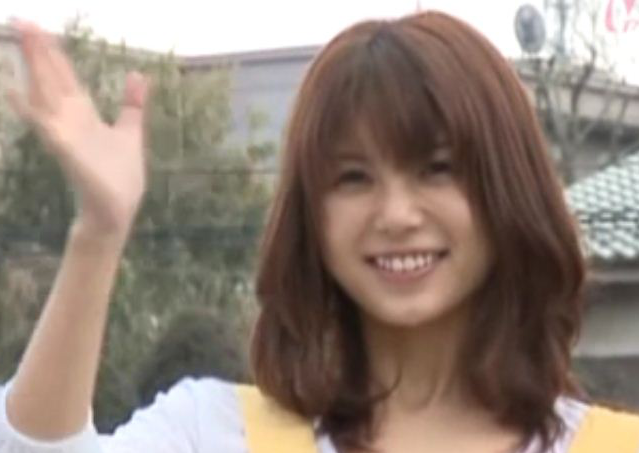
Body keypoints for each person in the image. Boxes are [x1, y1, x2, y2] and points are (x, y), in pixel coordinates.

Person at [0, 10, 638, 453]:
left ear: (507, 191)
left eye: (437, 169)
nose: (396, 214)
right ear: (312, 215)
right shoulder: (217, 432)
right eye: (353, 178)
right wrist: (99, 231)